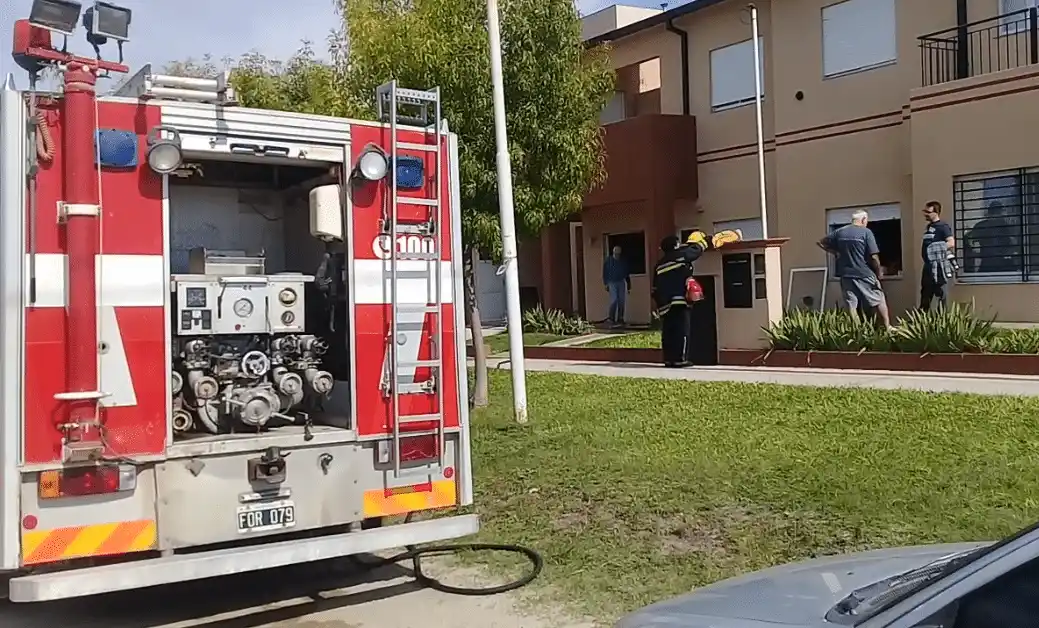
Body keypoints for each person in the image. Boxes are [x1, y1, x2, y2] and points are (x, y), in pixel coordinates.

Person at [817, 209, 893, 329]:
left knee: (851, 304)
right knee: (879, 299)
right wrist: (879, 272)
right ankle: (887, 326)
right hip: (864, 273)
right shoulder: (866, 232)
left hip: (846, 274)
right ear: (863, 220)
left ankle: (857, 331)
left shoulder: (840, 232)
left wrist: (835, 252)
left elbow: (821, 242)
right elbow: (874, 256)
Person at [652, 233, 707, 367]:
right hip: (679, 301)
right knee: (681, 331)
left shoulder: (659, 265)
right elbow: (695, 251)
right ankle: (680, 359)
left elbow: (654, 289)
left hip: (665, 305)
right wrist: (705, 241)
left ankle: (668, 359)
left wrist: (659, 305)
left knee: (668, 332)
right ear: (676, 245)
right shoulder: (680, 256)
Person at [920, 200, 955, 311]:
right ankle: (921, 320)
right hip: (928, 266)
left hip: (938, 266)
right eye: (924, 211)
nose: (925, 214)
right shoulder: (929, 227)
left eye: (928, 212)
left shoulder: (942, 226)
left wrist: (935, 249)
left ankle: (942, 321)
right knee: (925, 293)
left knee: (941, 293)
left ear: (936, 212)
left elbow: (951, 243)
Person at [602, 245, 631, 328]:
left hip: (621, 281)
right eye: (616, 253)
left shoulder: (623, 261)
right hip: (612, 282)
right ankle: (611, 318)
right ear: (613, 252)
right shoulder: (608, 261)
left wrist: (629, 286)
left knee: (622, 300)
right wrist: (605, 283)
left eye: (619, 253)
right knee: (614, 300)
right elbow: (605, 273)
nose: (617, 255)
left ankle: (620, 318)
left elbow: (627, 274)